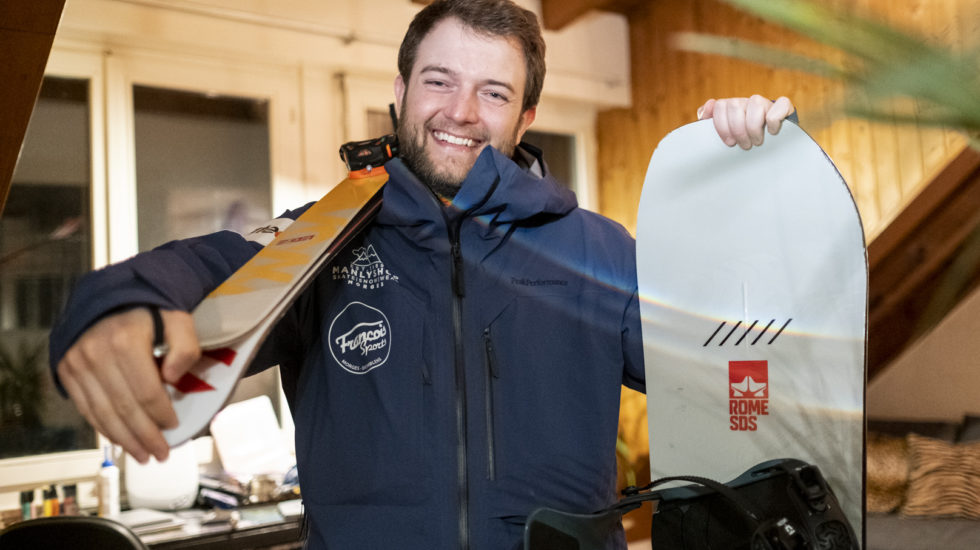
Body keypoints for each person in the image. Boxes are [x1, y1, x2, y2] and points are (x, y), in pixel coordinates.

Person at [49, 0, 795, 548]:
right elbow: (205, 268)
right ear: (400, 93)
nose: (461, 112)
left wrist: (739, 190)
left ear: (525, 117)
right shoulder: (319, 239)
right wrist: (118, 306)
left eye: (494, 93)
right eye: (438, 81)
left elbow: (724, 359)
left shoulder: (597, 253)